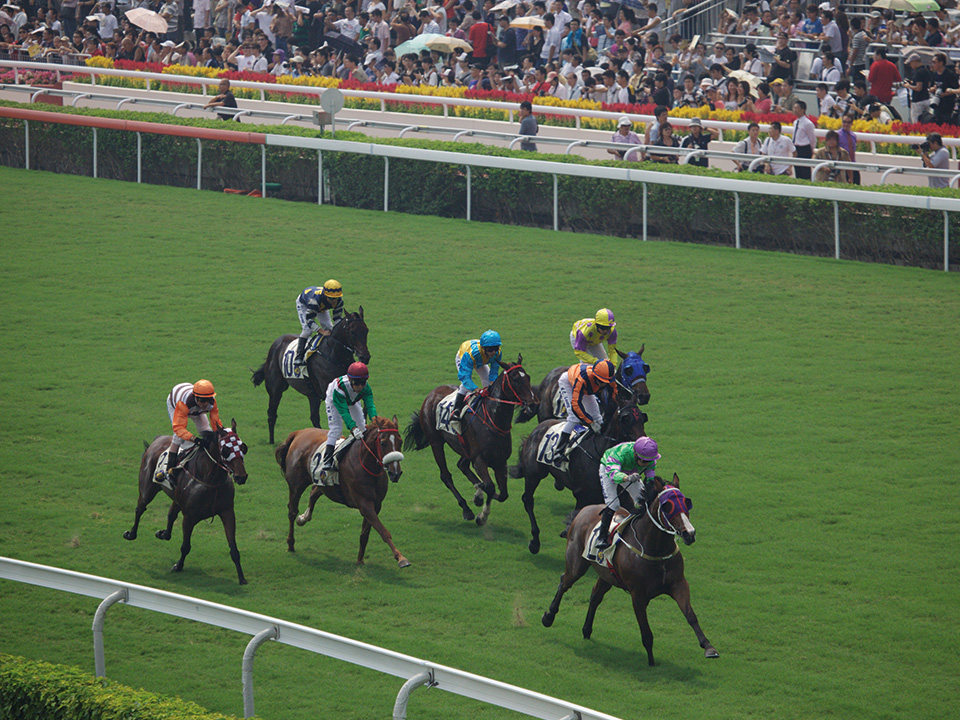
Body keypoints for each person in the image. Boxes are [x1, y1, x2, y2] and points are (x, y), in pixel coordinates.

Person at [314, 362, 377, 484]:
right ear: (350, 380)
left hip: (352, 400)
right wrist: (352, 428)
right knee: (336, 429)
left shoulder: (366, 388)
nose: (359, 386)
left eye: (363, 383)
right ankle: (327, 460)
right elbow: (344, 412)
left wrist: (375, 420)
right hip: (335, 400)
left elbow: (370, 405)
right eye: (356, 383)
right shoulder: (339, 389)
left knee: (363, 427)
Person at [155, 379, 223, 490]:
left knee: (207, 431)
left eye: (207, 400)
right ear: (196, 398)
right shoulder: (184, 404)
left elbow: (215, 421)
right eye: (201, 400)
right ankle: (170, 470)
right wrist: (195, 439)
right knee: (178, 438)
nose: (204, 404)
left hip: (193, 408)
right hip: (176, 404)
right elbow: (179, 428)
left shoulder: (211, 403)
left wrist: (219, 434)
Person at [595, 436, 661, 551]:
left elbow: (650, 477)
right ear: (635, 455)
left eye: (649, 461)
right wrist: (627, 478)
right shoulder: (621, 453)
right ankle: (602, 537)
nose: (646, 464)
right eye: (644, 461)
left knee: (642, 501)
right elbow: (613, 475)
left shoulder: (649, 457)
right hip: (609, 469)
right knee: (613, 504)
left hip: (630, 472)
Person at [556, 359, 617, 456]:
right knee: (573, 417)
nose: (603, 384)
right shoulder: (583, 379)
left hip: (587, 388)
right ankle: (559, 450)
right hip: (568, 383)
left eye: (606, 382)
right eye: (601, 381)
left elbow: (614, 396)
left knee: (597, 416)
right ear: (595, 376)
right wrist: (590, 422)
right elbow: (576, 405)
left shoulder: (609, 379)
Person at [452, 330, 502, 424]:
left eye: (496, 348)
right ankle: (456, 410)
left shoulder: (498, 353)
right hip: (464, 358)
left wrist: (491, 383)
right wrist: (477, 389)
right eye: (490, 350)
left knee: (488, 382)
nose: (493, 352)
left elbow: (494, 371)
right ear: (483, 348)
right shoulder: (471, 355)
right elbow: (465, 377)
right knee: (465, 385)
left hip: (481, 360)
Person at [294, 279, 344, 367]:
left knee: (329, 327)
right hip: (305, 304)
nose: (334, 301)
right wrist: (321, 331)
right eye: (331, 298)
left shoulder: (339, 301)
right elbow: (310, 320)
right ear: (325, 296)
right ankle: (299, 356)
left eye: (336, 298)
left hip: (322, 307)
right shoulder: (315, 301)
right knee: (307, 331)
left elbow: (337, 318)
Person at [791, 100, 816, 180]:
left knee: (805, 171)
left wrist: (811, 149)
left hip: (804, 148)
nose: (794, 110)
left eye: (797, 108)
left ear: (803, 110)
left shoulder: (808, 123)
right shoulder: (795, 122)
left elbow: (812, 138)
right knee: (797, 171)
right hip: (796, 148)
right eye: (794, 108)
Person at [904, 53, 932, 123]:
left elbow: (918, 88)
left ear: (914, 61)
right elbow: (928, 83)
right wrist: (912, 82)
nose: (911, 65)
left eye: (910, 63)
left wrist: (908, 86)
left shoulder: (918, 72)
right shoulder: (926, 70)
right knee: (926, 120)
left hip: (918, 101)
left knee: (916, 122)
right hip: (926, 98)